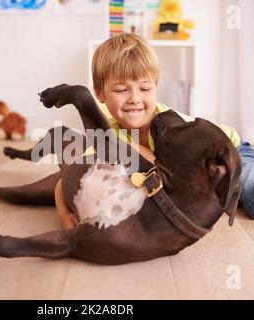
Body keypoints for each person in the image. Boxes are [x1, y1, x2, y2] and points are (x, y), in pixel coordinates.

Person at [54, 33, 254, 229]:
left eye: (145, 88)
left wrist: (128, 147)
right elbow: (69, 178)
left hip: (232, 150)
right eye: (122, 90)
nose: (134, 98)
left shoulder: (170, 124)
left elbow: (162, 165)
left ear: (155, 88)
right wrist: (65, 215)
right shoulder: (108, 133)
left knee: (248, 186)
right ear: (100, 94)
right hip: (197, 172)